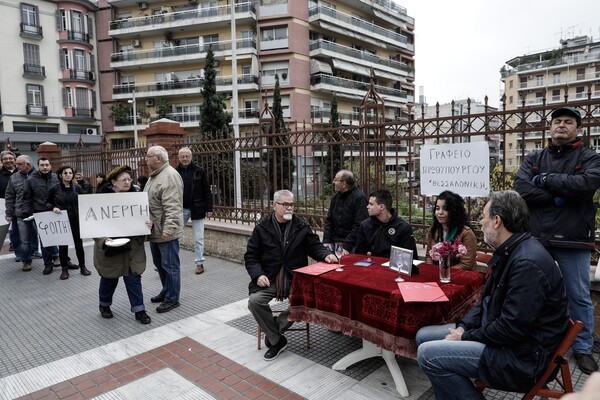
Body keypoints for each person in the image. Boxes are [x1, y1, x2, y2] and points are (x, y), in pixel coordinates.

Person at [416, 190, 569, 400]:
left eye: (484, 216)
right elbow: (484, 301)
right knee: (422, 336)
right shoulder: (510, 251)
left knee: (428, 355)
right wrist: (463, 327)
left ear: (497, 221)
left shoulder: (526, 263)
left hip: (520, 357)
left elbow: (511, 328)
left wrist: (465, 337)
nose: (481, 222)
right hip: (500, 336)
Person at [514, 106, 600, 374]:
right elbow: (521, 188)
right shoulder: (534, 157)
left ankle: (583, 349)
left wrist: (546, 179)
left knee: (579, 296)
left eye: (568, 122)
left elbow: (586, 185)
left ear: (578, 129)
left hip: (573, 240)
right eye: (557, 121)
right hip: (537, 237)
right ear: (550, 128)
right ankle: (537, 339)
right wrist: (557, 194)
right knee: (532, 291)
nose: (561, 125)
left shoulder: (590, 157)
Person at [245, 189, 337, 361]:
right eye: (285, 204)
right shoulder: (262, 227)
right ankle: (278, 339)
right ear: (274, 206)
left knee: (303, 301)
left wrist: (326, 255)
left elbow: (314, 246)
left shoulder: (301, 226)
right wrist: (258, 275)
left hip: (294, 278)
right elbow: (251, 256)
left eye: (291, 204)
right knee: (254, 301)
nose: (289, 208)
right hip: (270, 277)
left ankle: (274, 333)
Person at [93, 165, 152, 325]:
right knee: (109, 279)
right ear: (113, 182)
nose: (128, 182)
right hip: (111, 247)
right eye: (123, 180)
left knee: (133, 278)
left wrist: (147, 224)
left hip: (133, 248)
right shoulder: (100, 199)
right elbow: (92, 225)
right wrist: (103, 240)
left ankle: (139, 310)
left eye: (129, 179)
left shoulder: (137, 199)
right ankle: (104, 305)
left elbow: (145, 220)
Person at [145, 146, 184, 313]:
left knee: (170, 266)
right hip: (156, 230)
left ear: (158, 159)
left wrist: (169, 229)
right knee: (160, 265)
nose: (146, 159)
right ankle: (167, 290)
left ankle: (172, 298)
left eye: (148, 156)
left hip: (165, 231)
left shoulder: (169, 176)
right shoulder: (155, 176)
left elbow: (173, 206)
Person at [47, 165, 91, 280]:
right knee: (63, 246)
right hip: (62, 222)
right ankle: (64, 269)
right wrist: (53, 208)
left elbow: (84, 203)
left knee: (79, 245)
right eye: (65, 173)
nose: (68, 175)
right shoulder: (54, 189)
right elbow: (47, 202)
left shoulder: (77, 188)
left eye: (70, 173)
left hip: (76, 221)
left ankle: (83, 267)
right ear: (61, 175)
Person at [176, 147, 213, 274]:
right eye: (182, 156)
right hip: (180, 208)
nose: (185, 158)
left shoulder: (199, 171)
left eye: (187, 156)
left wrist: (209, 208)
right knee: (176, 237)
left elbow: (206, 190)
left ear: (191, 157)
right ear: (179, 157)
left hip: (197, 208)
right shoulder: (174, 172)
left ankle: (200, 263)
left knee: (198, 238)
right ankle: (171, 263)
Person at [354, 189, 418, 258]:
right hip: (370, 266)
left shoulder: (403, 227)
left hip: (394, 267)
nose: (367, 206)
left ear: (381, 207)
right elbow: (359, 254)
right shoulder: (365, 225)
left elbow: (410, 258)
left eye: (371, 204)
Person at [4, 155, 41, 271]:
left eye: (19, 164)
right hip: (21, 213)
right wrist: (9, 213)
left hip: (39, 210)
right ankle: (26, 261)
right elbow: (9, 196)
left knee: (45, 237)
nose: (16, 166)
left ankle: (53, 258)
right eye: (16, 164)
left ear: (28, 165)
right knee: (24, 240)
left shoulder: (40, 175)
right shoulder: (14, 177)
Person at [424, 190, 477, 270]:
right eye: (437, 208)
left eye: (445, 209)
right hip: (438, 275)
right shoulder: (433, 230)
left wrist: (444, 272)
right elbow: (429, 257)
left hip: (461, 277)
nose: (440, 212)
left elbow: (466, 265)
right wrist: (432, 271)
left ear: (454, 211)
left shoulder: (466, 233)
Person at [323, 169, 368, 254]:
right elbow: (329, 220)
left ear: (344, 184)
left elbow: (359, 225)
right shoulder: (336, 197)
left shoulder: (359, 198)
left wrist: (346, 246)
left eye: (336, 180)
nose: (333, 182)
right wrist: (326, 240)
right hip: (334, 242)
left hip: (353, 244)